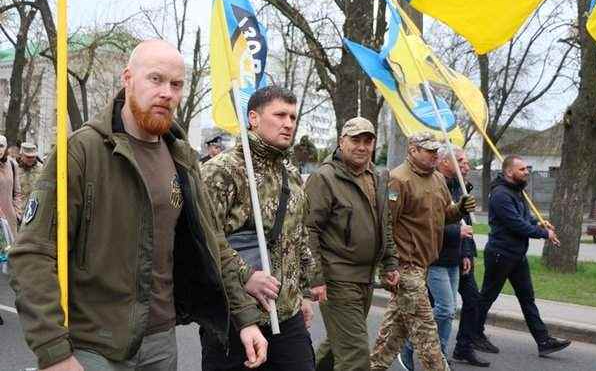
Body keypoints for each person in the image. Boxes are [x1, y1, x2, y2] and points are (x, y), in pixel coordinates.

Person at [9, 40, 268, 371]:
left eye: (176, 84)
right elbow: (32, 254)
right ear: (127, 78)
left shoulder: (182, 157)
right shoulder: (82, 151)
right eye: (155, 79)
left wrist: (245, 318)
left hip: (161, 342)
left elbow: (213, 243)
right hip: (93, 345)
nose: (167, 93)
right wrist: (54, 352)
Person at [200, 86, 316, 371]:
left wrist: (301, 293)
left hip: (286, 317)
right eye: (279, 115)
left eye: (292, 116)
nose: (288, 123)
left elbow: (298, 237)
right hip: (234, 317)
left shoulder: (290, 174)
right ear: (253, 117)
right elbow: (203, 241)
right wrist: (246, 275)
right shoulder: (222, 171)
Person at [370, 132, 477, 371]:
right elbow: (385, 225)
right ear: (413, 150)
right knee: (427, 336)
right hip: (405, 268)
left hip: (424, 264)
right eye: (428, 150)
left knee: (393, 333)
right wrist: (387, 266)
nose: (434, 154)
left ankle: (373, 366)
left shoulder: (438, 179)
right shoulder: (397, 179)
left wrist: (459, 209)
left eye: (435, 150)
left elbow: (445, 214)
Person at [304, 117, 399, 371]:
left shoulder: (377, 176)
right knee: (355, 356)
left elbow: (384, 223)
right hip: (337, 278)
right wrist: (316, 278)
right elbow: (309, 230)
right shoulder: (324, 178)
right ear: (341, 142)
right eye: (355, 140)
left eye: (368, 141)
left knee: (338, 347)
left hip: (365, 278)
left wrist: (389, 263)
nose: (362, 146)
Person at [477, 155, 571, 357]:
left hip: (516, 255)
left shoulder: (516, 192)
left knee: (527, 299)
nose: (526, 172)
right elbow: (515, 225)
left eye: (526, 169)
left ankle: (543, 341)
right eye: (522, 169)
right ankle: (472, 335)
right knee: (486, 297)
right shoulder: (501, 194)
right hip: (501, 255)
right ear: (509, 172)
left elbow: (522, 218)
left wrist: (537, 223)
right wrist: (544, 234)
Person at [0, 135, 22, 241]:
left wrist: (17, 213)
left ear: (6, 147)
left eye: (1, 146)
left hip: (9, 219)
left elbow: (17, 192)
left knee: (9, 254)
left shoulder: (13, 164)